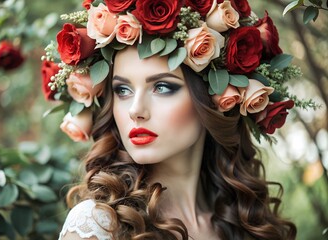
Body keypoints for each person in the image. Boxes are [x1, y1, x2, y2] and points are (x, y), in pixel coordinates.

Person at [41, 0, 303, 239]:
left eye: (162, 87)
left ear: (214, 98)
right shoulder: (98, 224)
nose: (135, 110)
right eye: (123, 90)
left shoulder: (248, 223)